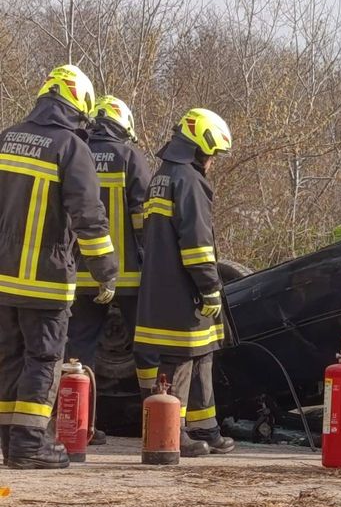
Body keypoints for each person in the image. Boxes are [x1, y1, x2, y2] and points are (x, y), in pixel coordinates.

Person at [0, 65, 118, 469]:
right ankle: (30, 445)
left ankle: (11, 444)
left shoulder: (9, 137)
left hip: (3, 279)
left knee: (9, 358)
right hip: (45, 280)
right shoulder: (70, 147)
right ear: (79, 103)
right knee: (44, 359)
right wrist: (106, 270)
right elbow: (88, 215)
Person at [133, 108, 235, 457]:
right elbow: (196, 241)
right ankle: (175, 433)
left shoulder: (162, 176)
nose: (213, 162)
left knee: (202, 354)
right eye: (213, 155)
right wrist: (209, 285)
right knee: (179, 360)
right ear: (200, 148)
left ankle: (205, 426)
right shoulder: (189, 181)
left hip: (161, 285)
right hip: (183, 289)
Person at [66, 96, 151, 445]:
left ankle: (80, 426)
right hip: (128, 277)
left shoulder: (76, 152)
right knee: (145, 348)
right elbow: (144, 217)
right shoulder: (130, 158)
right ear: (124, 124)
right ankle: (155, 423)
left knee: (78, 349)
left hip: (81, 273)